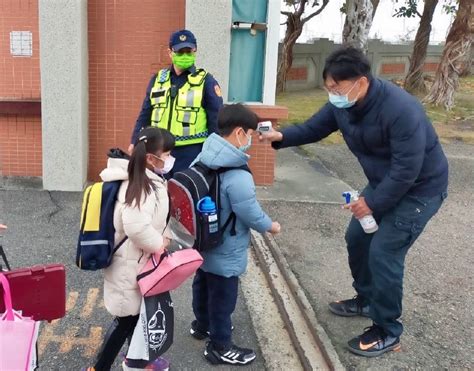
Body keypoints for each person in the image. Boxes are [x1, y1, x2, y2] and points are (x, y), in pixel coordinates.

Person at [262, 47, 448, 357]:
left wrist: (371, 202)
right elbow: (313, 127)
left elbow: (407, 170)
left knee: (384, 251)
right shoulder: (344, 104)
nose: (331, 94)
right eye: (328, 87)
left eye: (336, 88)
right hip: (383, 182)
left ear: (360, 82)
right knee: (357, 239)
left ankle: (388, 329)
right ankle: (367, 299)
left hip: (419, 189)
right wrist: (281, 138)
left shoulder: (402, 110)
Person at [189, 104, 281, 365]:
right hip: (226, 246)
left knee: (203, 283)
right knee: (223, 297)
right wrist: (270, 226)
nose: (250, 140)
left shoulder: (202, 156)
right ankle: (220, 346)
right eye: (250, 134)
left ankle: (201, 325)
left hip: (203, 241)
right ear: (239, 132)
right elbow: (249, 212)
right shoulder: (238, 174)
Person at [84, 127, 175, 371]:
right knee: (126, 320)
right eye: (166, 154)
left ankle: (138, 360)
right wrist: (160, 244)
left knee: (134, 318)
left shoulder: (142, 179)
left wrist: (161, 236)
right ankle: (99, 367)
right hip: (129, 265)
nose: (168, 160)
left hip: (134, 262)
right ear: (150, 158)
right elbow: (135, 227)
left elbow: (153, 220)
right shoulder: (140, 186)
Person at [129, 29, 223, 176]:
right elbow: (146, 112)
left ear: (195, 51)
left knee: (186, 194)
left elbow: (216, 119)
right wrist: (135, 140)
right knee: (162, 193)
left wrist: (212, 153)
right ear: (170, 52)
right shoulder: (158, 79)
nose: (185, 55)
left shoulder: (206, 81)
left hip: (191, 151)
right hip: (159, 151)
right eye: (180, 52)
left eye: (189, 51)